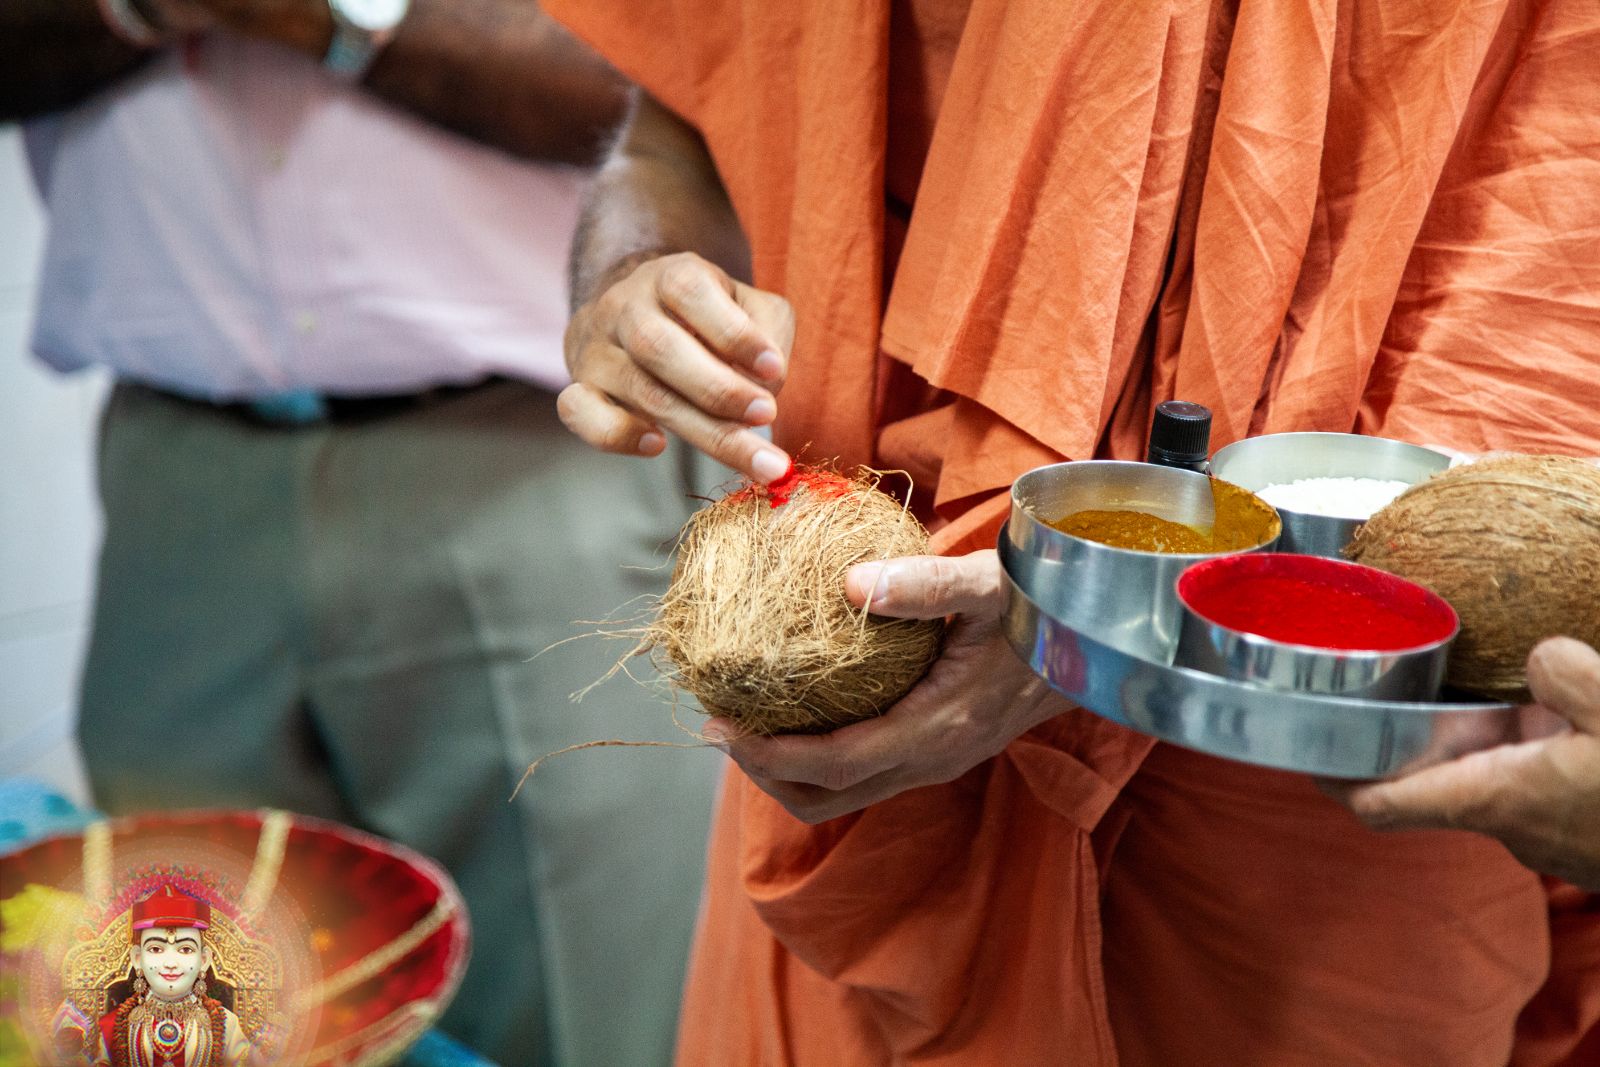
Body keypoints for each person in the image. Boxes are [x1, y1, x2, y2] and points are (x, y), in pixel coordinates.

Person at [545, 1, 1600, 1064]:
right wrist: (632, 279)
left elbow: (1534, 327)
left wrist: (1091, 630)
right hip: (861, 729)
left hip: (1289, 806)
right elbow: (683, 118)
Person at [4, 2, 722, 1062]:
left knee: (595, 1017)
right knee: (195, 1014)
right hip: (179, 492)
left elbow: (696, 61)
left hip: (539, 471)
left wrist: (333, 14)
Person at [56, 885, 264, 1066]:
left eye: (185, 950)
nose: (171, 963)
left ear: (203, 960)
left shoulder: (227, 1025)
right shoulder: (113, 1027)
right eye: (156, 949)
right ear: (137, 958)